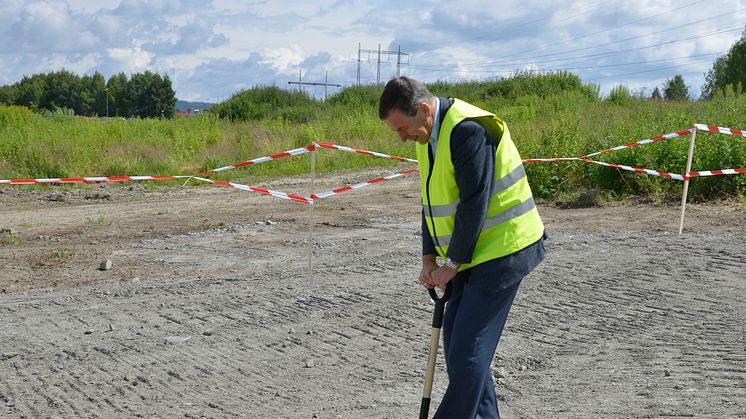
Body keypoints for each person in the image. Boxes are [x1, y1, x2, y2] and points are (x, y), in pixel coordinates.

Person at [378, 76, 546, 419]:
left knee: (468, 355)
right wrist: (428, 259)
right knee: (458, 346)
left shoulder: (468, 130)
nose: (401, 137)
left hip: (504, 250)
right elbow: (431, 203)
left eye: (401, 128)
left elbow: (474, 203)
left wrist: (450, 266)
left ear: (424, 110)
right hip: (474, 255)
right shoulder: (426, 137)